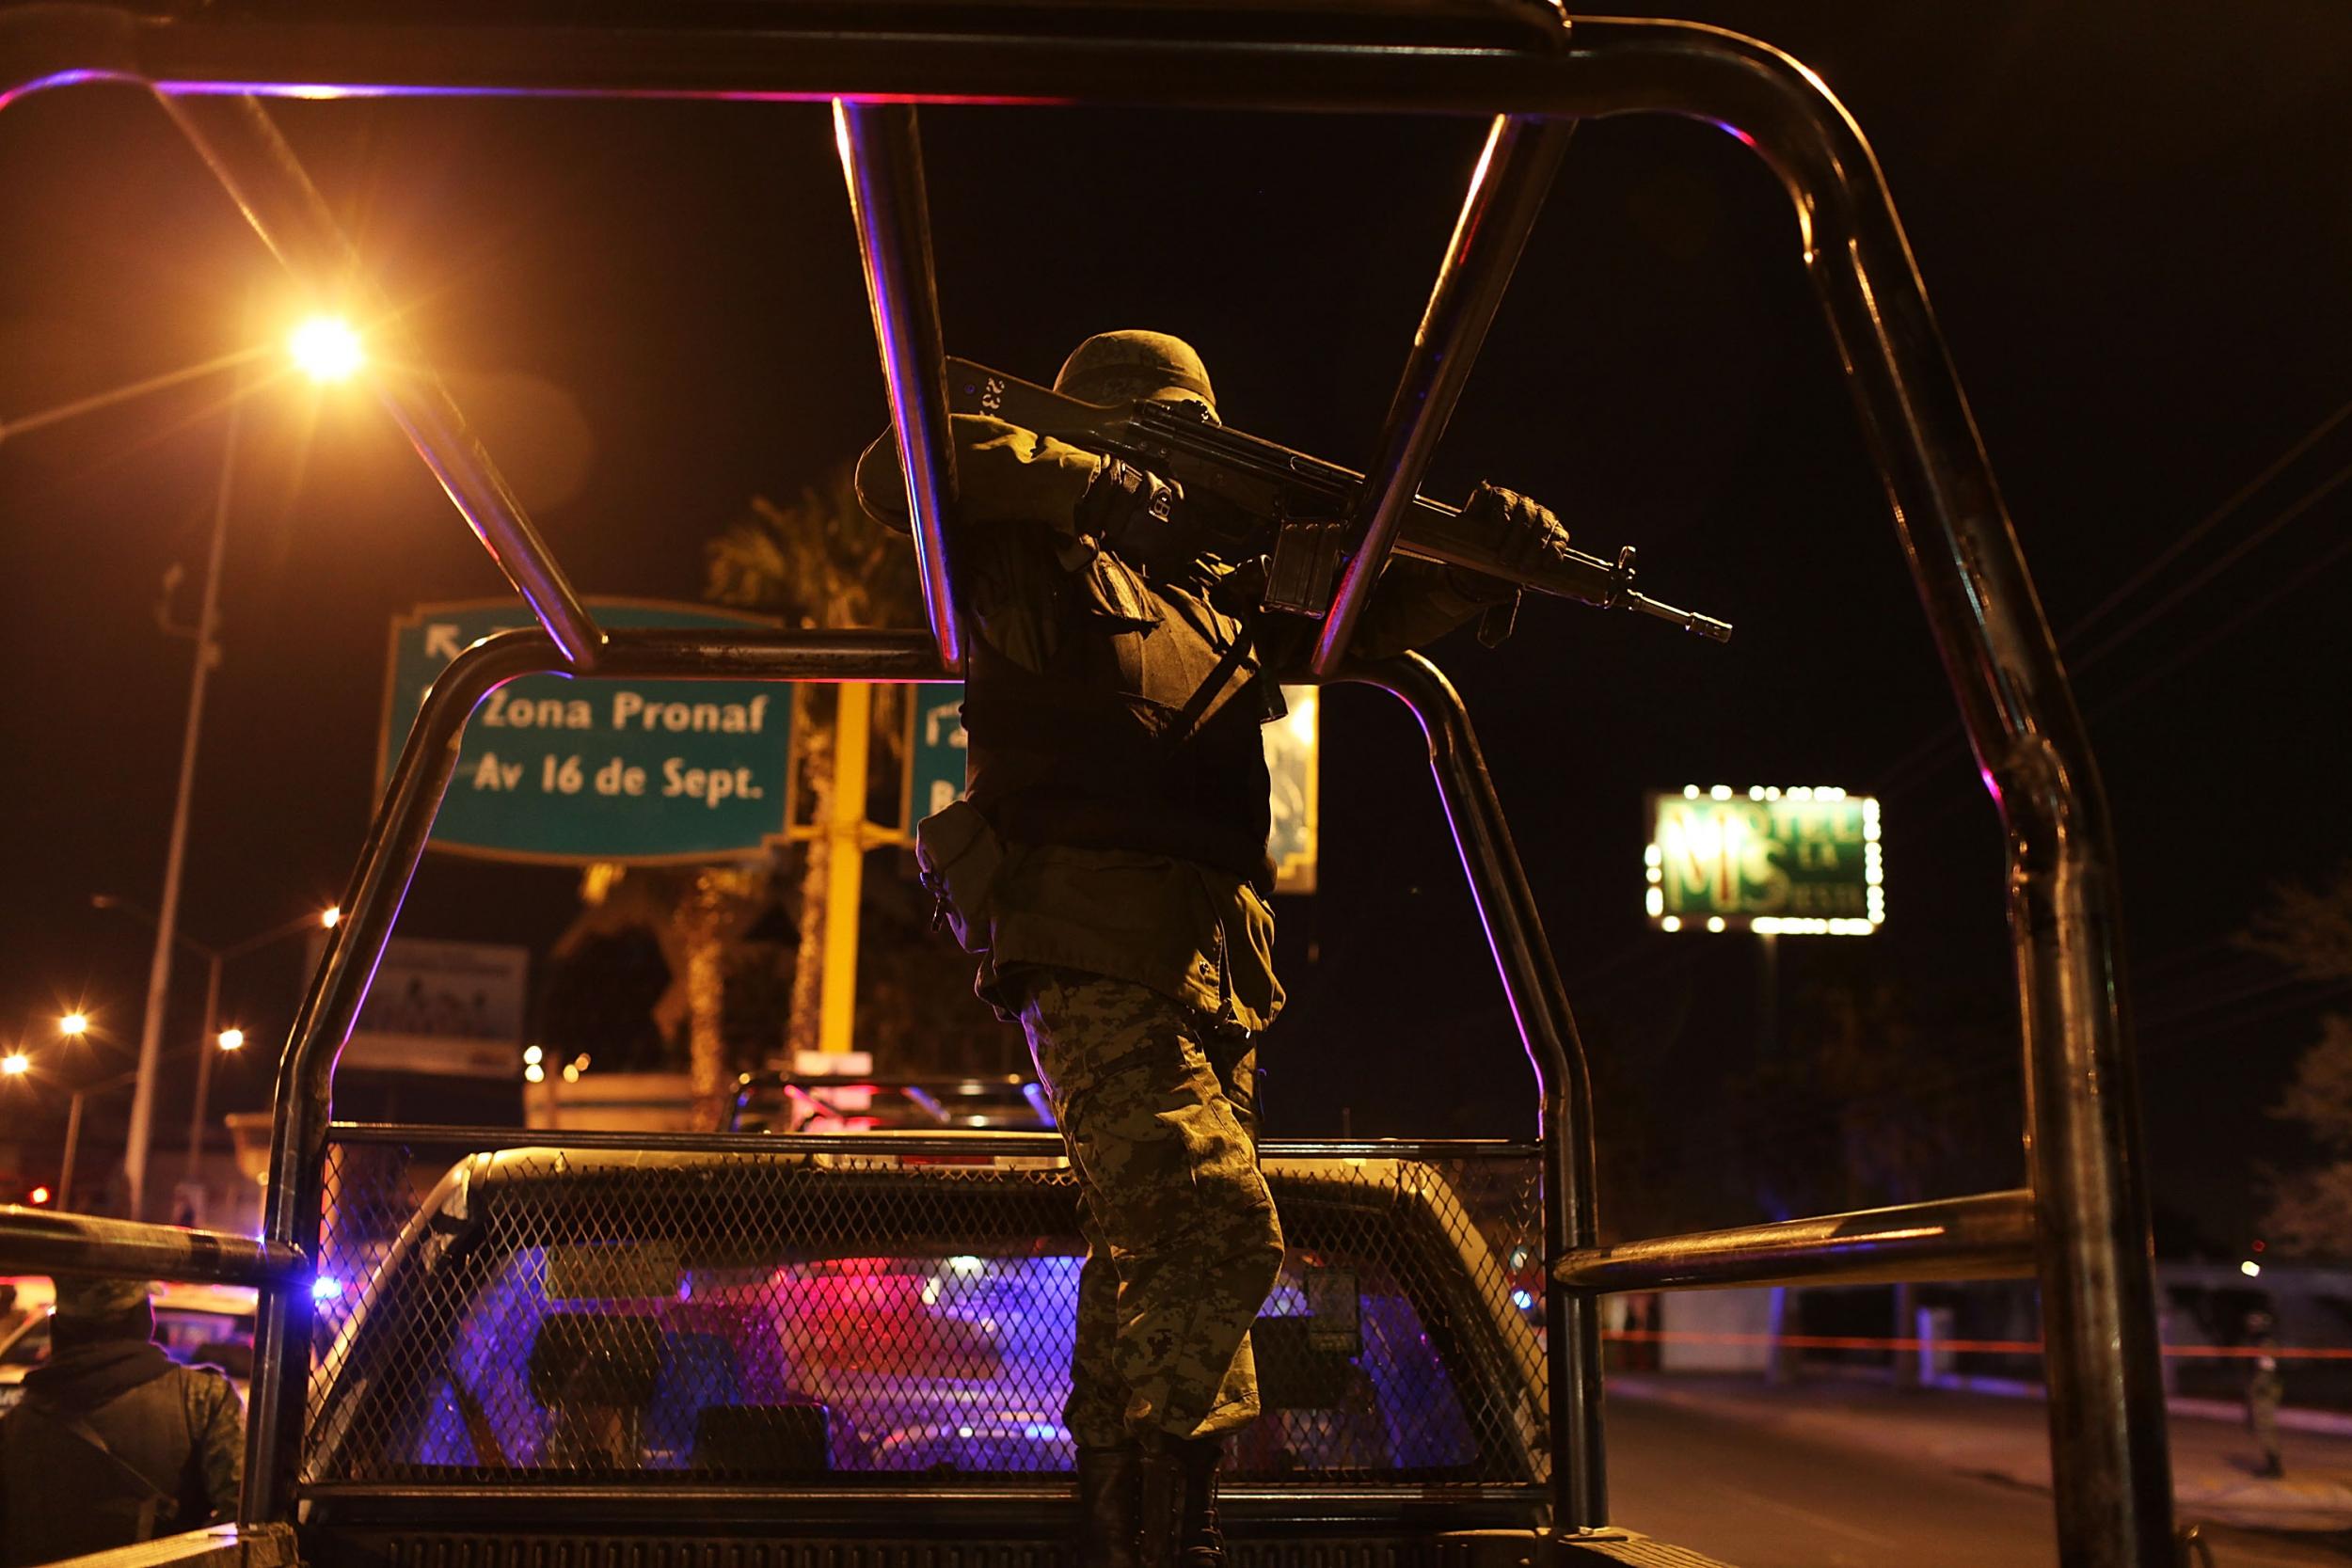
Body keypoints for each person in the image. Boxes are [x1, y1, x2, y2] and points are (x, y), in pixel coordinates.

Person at [858, 330, 1569, 1568]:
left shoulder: (1220, 590)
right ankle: (1174, 1534)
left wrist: (1483, 557)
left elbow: (1371, 616)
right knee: (1217, 1228)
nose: (1182, 480)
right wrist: (1083, 473)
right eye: (1165, 440)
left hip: (1210, 966)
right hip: (1089, 943)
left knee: (1141, 1251)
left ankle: (1113, 1508)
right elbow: (896, 467)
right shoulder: (1030, 554)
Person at [0, 1275, 245, 1566]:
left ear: (58, 1329)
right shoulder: (201, 1399)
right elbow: (246, 1519)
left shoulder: (13, 1429)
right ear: (145, 1319)